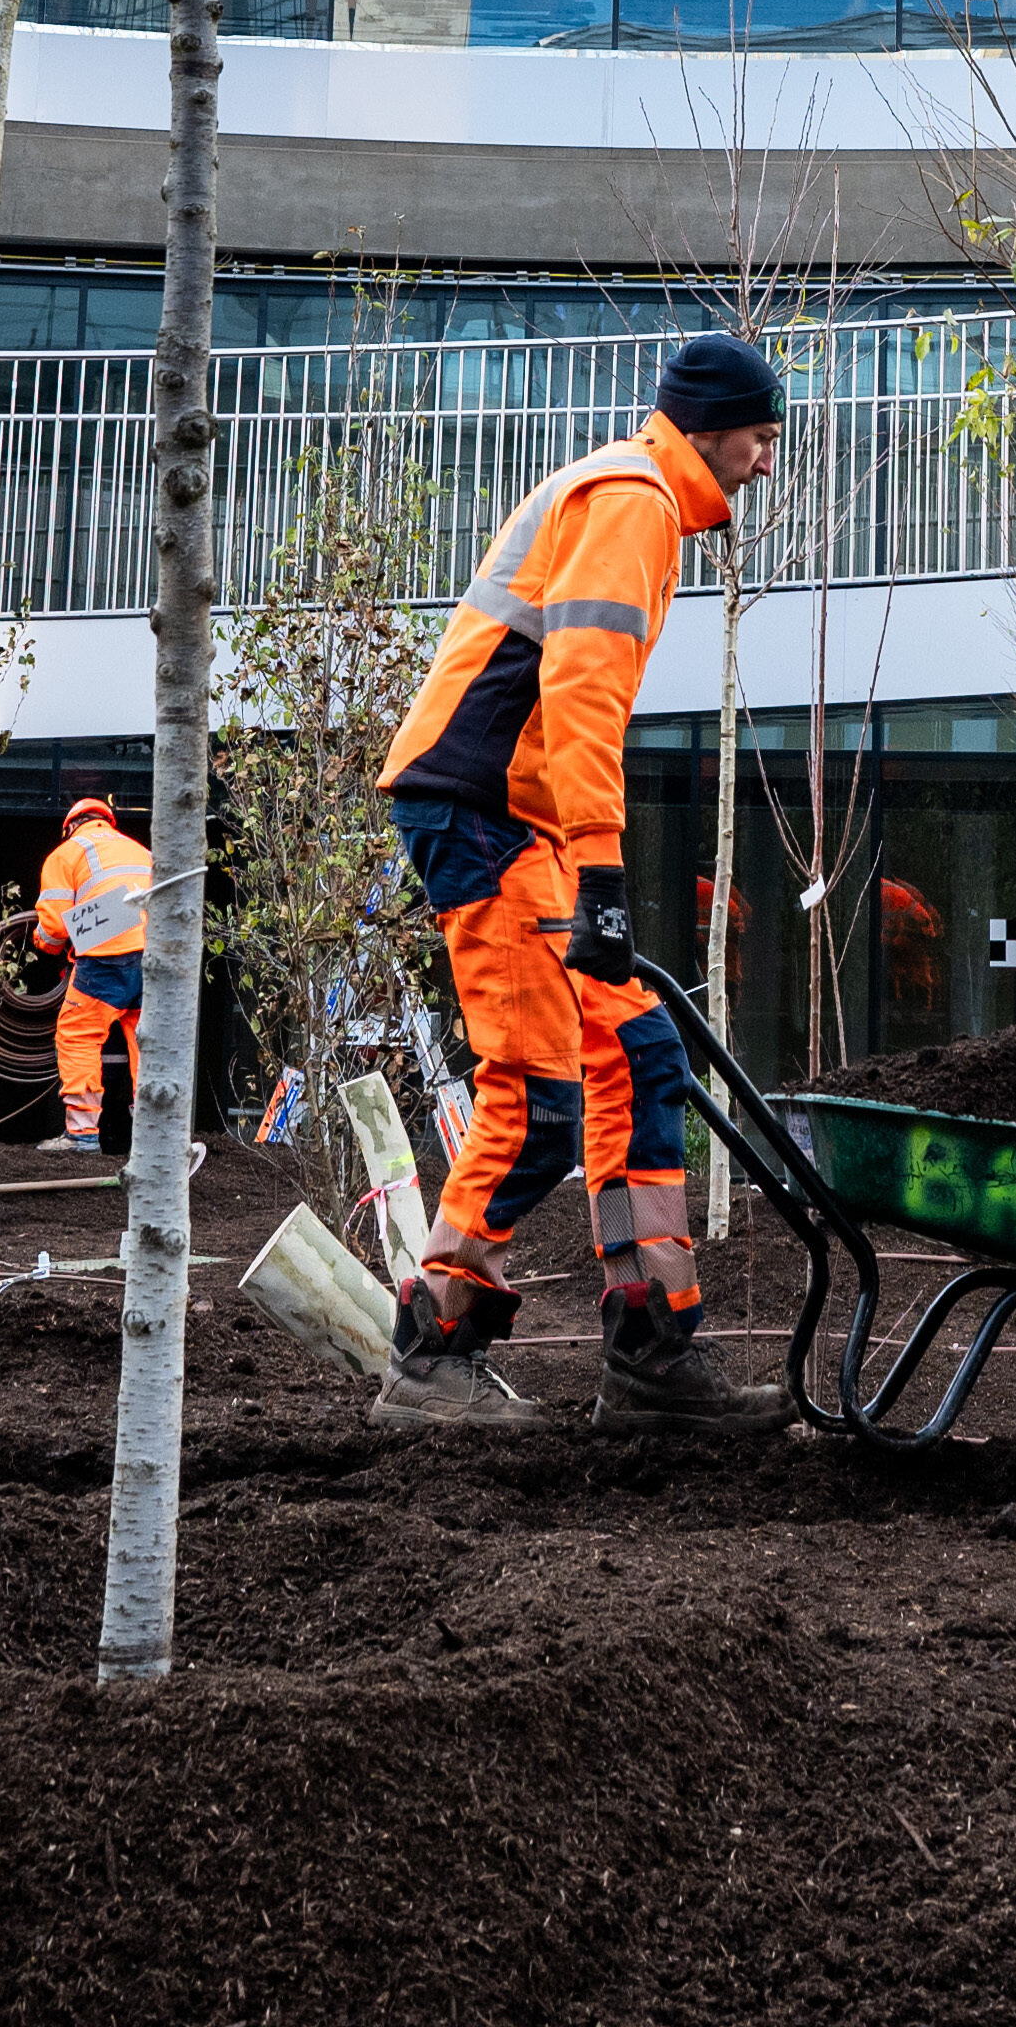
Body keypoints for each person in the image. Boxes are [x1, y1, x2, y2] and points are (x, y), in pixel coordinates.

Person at [370, 331, 788, 1431]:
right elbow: (581, 698)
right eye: (758, 436)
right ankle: (431, 1357)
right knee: (539, 1098)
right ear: (709, 425)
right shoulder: (633, 497)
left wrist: (589, 867)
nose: (764, 461)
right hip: (484, 815)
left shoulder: (638, 495)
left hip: (524, 821)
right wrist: (604, 876)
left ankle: (652, 1354)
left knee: (640, 1056)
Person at [37, 792, 153, 1148]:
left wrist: (46, 945)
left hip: (105, 960)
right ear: (106, 820)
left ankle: (82, 1135)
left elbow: (53, 929)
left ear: (70, 825)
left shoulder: (67, 853)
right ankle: (154, 1137)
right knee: (147, 1040)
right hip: (153, 959)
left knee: (78, 1036)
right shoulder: (141, 850)